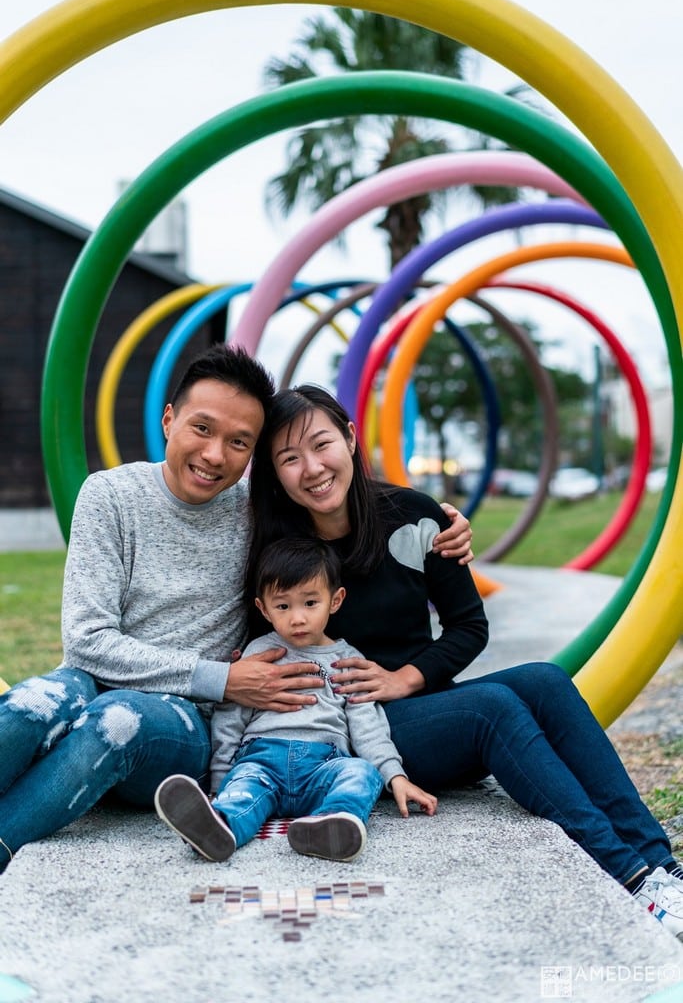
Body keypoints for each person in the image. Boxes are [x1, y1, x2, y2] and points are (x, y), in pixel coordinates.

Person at [0, 344, 469, 873]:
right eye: (202, 428)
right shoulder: (109, 495)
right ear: (169, 418)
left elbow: (339, 513)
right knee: (35, 700)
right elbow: (86, 641)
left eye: (239, 442)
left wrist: (434, 522)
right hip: (108, 677)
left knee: (117, 717)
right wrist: (223, 677)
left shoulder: (261, 511)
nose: (215, 455)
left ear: (252, 455)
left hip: (182, 720)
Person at [247, 382, 683, 941]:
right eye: (288, 457)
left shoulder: (417, 517)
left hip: (421, 709)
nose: (311, 467)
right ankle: (631, 877)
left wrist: (406, 678)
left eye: (321, 444)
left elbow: (469, 627)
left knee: (546, 680)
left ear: (351, 438)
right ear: (275, 472)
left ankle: (660, 863)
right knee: (492, 708)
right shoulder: (276, 549)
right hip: (348, 735)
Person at [154, 537, 437, 863]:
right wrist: (220, 777)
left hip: (324, 765)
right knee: (243, 792)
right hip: (261, 760)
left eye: (310, 603)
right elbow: (232, 713)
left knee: (362, 773)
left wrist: (395, 776)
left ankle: (328, 824)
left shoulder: (347, 660)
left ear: (335, 600)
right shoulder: (260, 653)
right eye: (283, 606)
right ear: (263, 608)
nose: (297, 618)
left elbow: (367, 725)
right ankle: (218, 826)